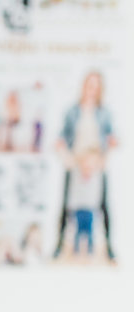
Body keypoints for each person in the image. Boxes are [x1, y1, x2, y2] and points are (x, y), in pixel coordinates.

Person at [53, 70, 118, 261]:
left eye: (96, 86)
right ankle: (59, 246)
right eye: (90, 85)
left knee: (103, 206)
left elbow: (111, 136)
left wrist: (105, 153)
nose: (92, 89)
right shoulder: (72, 111)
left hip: (96, 164)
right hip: (75, 164)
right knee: (66, 206)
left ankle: (109, 247)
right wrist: (65, 154)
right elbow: (62, 137)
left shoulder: (104, 113)